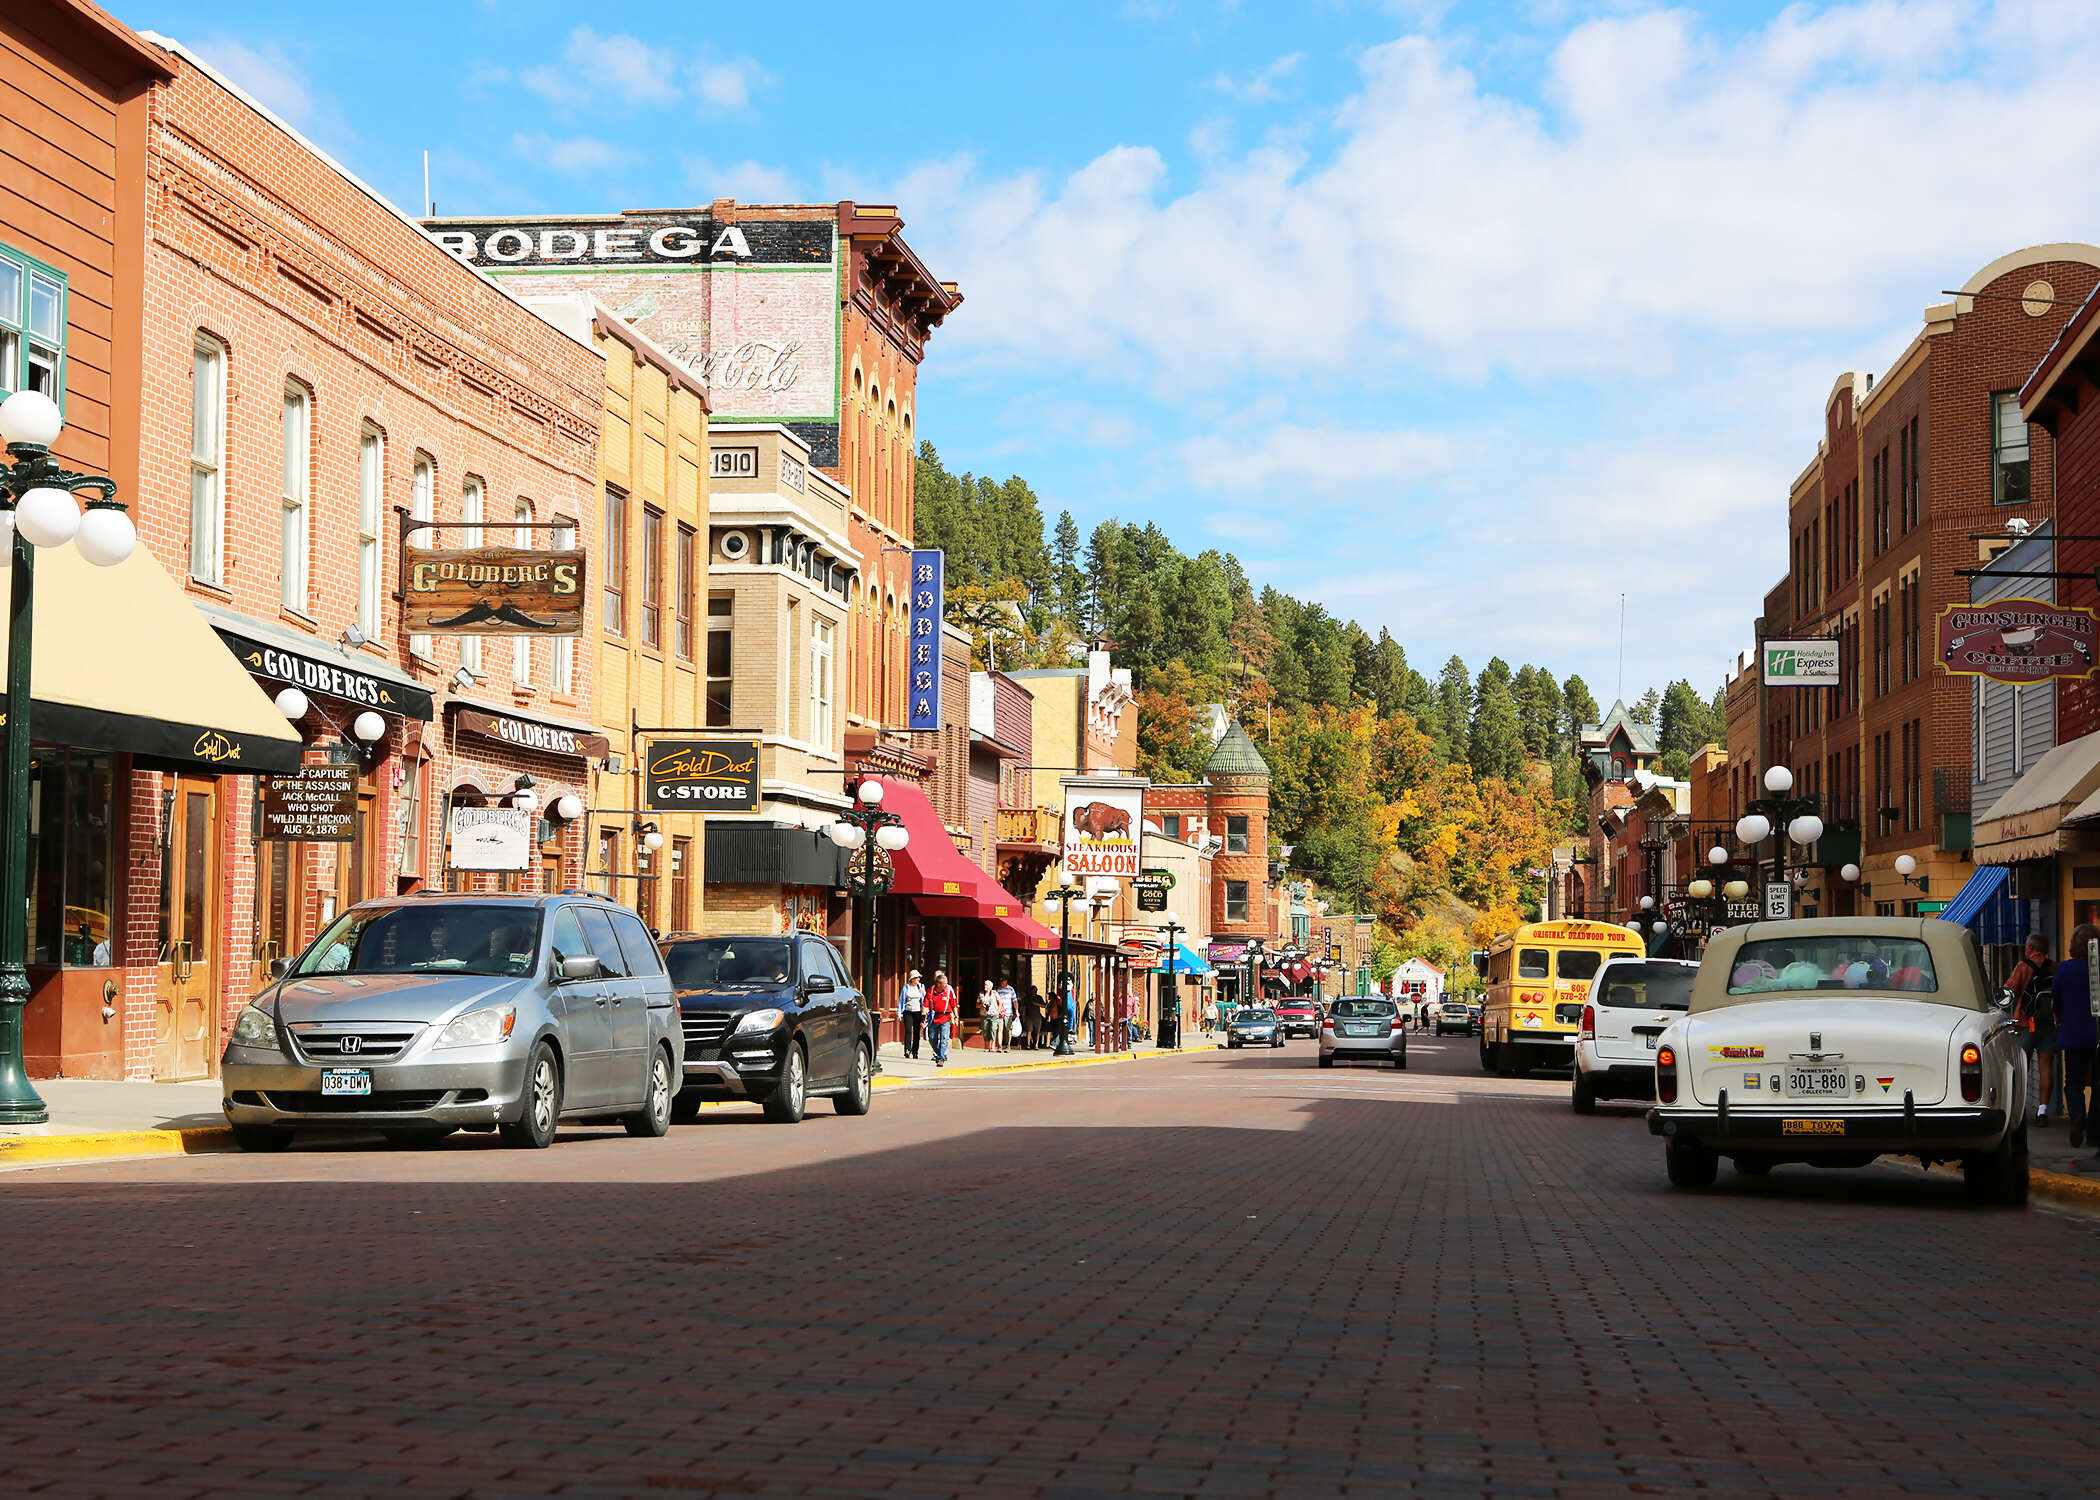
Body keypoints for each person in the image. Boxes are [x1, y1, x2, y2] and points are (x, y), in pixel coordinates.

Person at [2008, 933, 2059, 1125]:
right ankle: (2042, 1112)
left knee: (2022, 1068)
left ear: (2030, 948)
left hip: (2025, 1024)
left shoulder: (2022, 967)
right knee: (2046, 1068)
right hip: (2048, 1024)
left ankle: (2018, 1112)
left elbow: (2009, 990)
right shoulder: (2055, 967)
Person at [2056, 925, 2098, 1149]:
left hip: (2073, 1035)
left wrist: (2059, 1018)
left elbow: (2056, 1000)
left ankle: (2078, 1116)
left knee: (2073, 1083)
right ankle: (2095, 1130)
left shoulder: (2065, 969)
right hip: (2098, 1034)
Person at [926, 970, 959, 1067]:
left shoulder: (949, 991)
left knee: (944, 1039)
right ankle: (939, 1053)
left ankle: (940, 1058)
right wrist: (923, 1017)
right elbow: (925, 1004)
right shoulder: (930, 991)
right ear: (938, 984)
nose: (946, 985)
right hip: (934, 1017)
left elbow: (954, 1005)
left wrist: (956, 1017)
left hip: (946, 1017)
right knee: (932, 1038)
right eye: (944, 983)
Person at [898, 969, 926, 1060]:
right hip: (908, 1012)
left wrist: (923, 993)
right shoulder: (906, 987)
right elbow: (901, 1000)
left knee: (917, 1033)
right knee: (908, 1031)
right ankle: (907, 1050)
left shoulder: (921, 986)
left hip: (918, 1012)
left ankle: (915, 1052)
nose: (918, 979)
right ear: (912, 979)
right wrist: (899, 1013)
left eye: (919, 977)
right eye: (917, 977)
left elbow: (925, 1000)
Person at [996, 976, 1018, 1054]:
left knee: (1008, 1030)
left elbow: (1015, 1001)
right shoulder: (998, 989)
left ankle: (1008, 1045)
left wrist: (1016, 1011)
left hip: (1009, 1013)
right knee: (1000, 1029)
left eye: (1003, 981)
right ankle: (999, 1046)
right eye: (1001, 981)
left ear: (1006, 981)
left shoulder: (1011, 989)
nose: (1002, 982)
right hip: (1000, 1012)